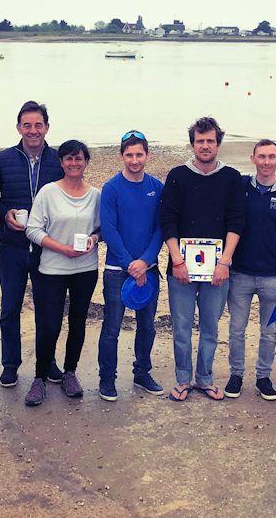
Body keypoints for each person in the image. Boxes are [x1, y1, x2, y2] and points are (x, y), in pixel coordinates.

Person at [160, 116, 245, 402]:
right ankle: (183, 379)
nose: (205, 145)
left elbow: (236, 222)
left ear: (218, 143)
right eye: (200, 141)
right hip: (181, 268)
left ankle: (205, 378)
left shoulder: (232, 177)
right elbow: (168, 221)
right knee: (182, 327)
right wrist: (178, 262)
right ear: (192, 144)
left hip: (218, 268)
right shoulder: (177, 176)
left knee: (210, 327)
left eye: (210, 140)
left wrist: (225, 262)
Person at [0, 101, 64, 388]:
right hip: (13, 246)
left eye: (38, 125)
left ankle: (49, 361)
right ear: (18, 127)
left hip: (47, 247)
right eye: (27, 125)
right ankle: (10, 364)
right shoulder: (3, 158)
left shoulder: (59, 159)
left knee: (49, 309)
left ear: (47, 127)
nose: (33, 130)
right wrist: (3, 212)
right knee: (10, 307)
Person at [24, 140, 101, 406]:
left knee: (78, 322)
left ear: (86, 161)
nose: (73, 163)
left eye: (79, 158)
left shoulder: (96, 194)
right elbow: (32, 230)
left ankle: (70, 373)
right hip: (52, 269)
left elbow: (101, 228)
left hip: (86, 269)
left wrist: (94, 239)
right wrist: (62, 249)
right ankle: (39, 378)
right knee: (49, 325)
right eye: (68, 158)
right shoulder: (48, 193)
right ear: (61, 162)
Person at [225, 139, 276, 401]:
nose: (266, 162)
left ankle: (263, 377)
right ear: (253, 158)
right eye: (261, 157)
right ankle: (236, 375)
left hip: (274, 275)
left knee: (269, 331)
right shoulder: (241, 187)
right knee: (237, 328)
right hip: (240, 273)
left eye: (271, 157)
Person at [97, 131, 165, 401]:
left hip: (148, 270)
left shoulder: (157, 187)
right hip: (117, 271)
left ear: (147, 155)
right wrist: (129, 263)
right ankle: (107, 379)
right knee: (112, 327)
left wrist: (145, 261)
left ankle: (142, 372)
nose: (134, 160)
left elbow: (160, 228)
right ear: (122, 156)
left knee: (147, 325)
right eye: (129, 154)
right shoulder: (111, 188)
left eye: (139, 154)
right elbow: (109, 230)